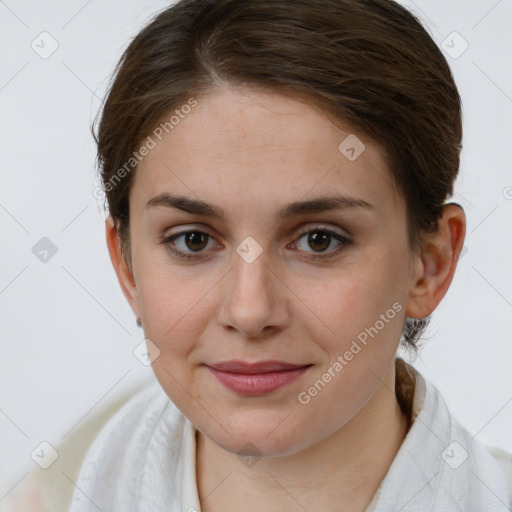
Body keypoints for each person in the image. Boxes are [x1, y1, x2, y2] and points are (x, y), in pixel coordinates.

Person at [7, 0, 511, 510]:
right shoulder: (54, 490)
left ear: (429, 264)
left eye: (320, 240)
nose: (250, 313)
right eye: (194, 240)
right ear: (128, 267)